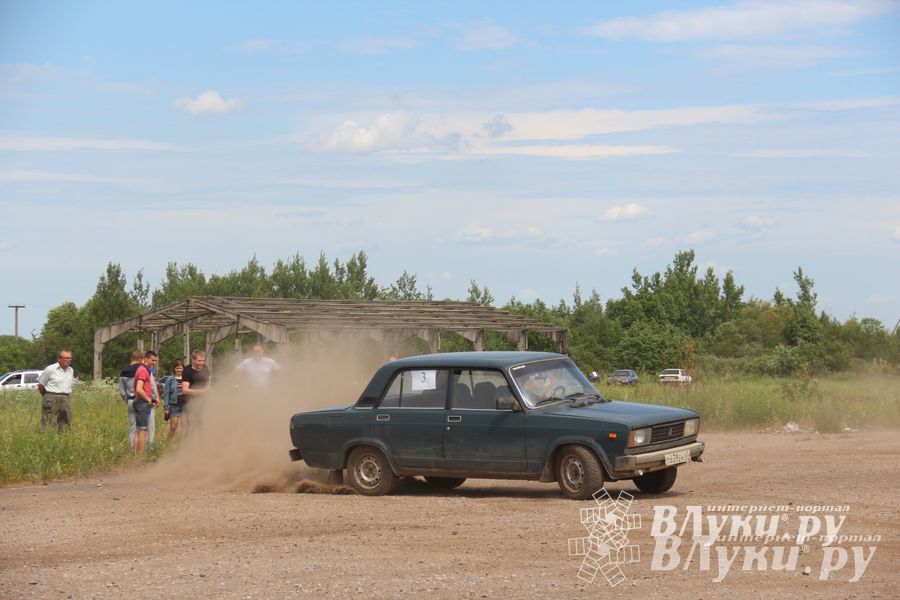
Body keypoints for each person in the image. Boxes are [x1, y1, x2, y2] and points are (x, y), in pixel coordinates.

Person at [118, 350, 150, 451]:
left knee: (133, 427)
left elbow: (122, 391)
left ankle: (133, 449)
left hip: (130, 400)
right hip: (141, 399)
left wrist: (127, 401)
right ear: (141, 359)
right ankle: (141, 450)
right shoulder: (141, 369)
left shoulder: (123, 371)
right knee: (142, 428)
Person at [37, 348, 75, 432]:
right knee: (48, 420)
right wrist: (47, 397)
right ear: (59, 359)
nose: (66, 360)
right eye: (64, 357)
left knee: (66, 420)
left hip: (65, 398)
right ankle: (45, 438)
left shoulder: (71, 370)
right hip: (51, 397)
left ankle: (62, 439)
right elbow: (41, 385)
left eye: (68, 358)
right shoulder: (50, 369)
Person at [132, 350, 158, 455]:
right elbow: (139, 388)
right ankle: (140, 456)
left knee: (139, 430)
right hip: (142, 402)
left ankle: (136, 455)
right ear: (146, 358)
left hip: (139, 402)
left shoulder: (142, 369)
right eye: (152, 360)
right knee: (143, 431)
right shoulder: (143, 370)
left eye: (156, 361)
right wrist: (148, 399)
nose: (154, 363)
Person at [181, 350, 211, 428]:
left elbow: (208, 379)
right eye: (199, 361)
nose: (202, 363)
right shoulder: (187, 371)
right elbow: (185, 390)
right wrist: (203, 391)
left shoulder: (205, 368)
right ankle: (189, 440)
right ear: (193, 360)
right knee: (192, 426)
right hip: (191, 403)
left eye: (203, 361)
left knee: (203, 425)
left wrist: (208, 387)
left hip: (204, 402)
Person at [160, 359, 186, 441]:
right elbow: (166, 394)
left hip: (185, 406)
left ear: (183, 369)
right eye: (177, 368)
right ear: (174, 369)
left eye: (180, 368)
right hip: (174, 405)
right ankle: (168, 445)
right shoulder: (170, 379)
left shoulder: (186, 379)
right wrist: (166, 408)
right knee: (173, 427)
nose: (179, 370)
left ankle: (183, 446)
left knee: (184, 428)